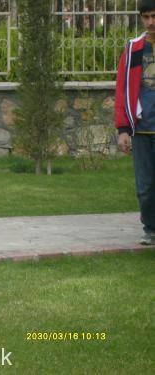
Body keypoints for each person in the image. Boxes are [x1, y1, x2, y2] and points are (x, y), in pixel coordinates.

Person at [115, 0, 155, 246]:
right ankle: (150, 229)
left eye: (154, 16)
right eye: (146, 17)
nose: (151, 22)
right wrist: (122, 129)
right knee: (146, 187)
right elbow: (122, 90)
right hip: (142, 129)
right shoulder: (134, 49)